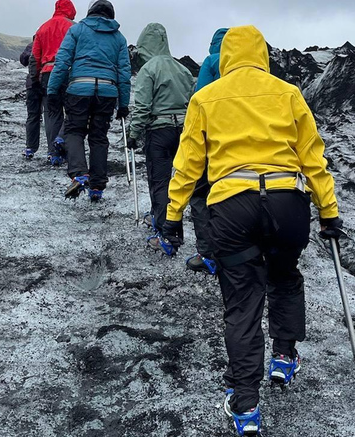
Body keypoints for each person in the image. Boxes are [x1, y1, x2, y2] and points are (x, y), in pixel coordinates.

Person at [156, 26, 344, 437]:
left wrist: (172, 215)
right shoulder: (288, 93)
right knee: (284, 276)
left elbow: (188, 162)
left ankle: (246, 405)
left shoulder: (205, 97)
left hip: (231, 205)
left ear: (224, 57)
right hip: (286, 203)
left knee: (242, 302)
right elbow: (313, 157)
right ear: (263, 54)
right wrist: (328, 211)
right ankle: (284, 357)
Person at [47, 0, 131, 202]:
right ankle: (97, 187)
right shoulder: (119, 38)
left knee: (74, 131)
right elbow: (124, 72)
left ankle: (79, 173)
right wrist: (123, 104)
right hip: (107, 92)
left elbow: (62, 62)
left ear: (90, 11)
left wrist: (52, 91)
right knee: (99, 137)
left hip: (79, 88)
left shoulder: (77, 31)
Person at [126, 23, 193, 245]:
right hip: (182, 130)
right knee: (178, 181)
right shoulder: (182, 69)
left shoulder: (149, 69)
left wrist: (133, 134)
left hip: (159, 131)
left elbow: (143, 107)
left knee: (160, 181)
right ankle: (169, 224)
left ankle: (166, 233)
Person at [185, 27, 228, 275]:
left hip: (211, 141)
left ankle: (208, 254)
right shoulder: (253, 71)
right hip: (241, 147)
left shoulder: (211, 61)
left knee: (201, 195)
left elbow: (198, 99)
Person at [28, 0, 77, 165]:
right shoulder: (73, 27)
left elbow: (35, 57)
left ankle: (52, 153)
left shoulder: (43, 27)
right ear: (71, 11)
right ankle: (62, 141)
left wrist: (34, 79)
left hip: (47, 75)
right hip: (69, 73)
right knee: (73, 111)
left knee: (51, 113)